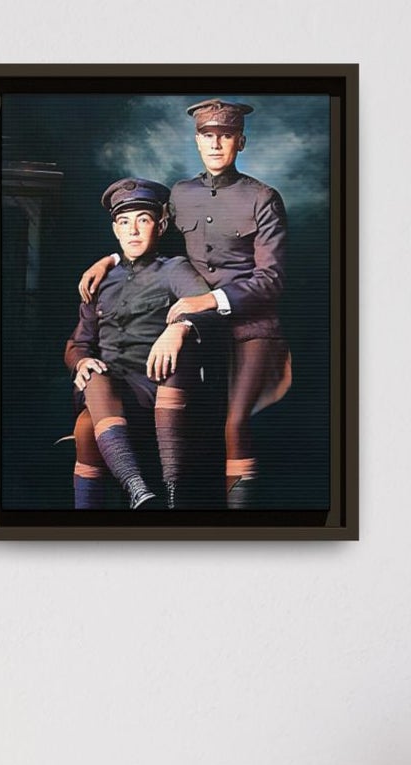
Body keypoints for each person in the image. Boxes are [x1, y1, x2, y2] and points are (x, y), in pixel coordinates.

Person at [78, 99, 289, 508]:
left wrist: (207, 301)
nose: (215, 145)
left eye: (225, 136)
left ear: (240, 142)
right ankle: (166, 498)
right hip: (189, 319)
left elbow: (273, 280)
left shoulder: (263, 198)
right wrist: (111, 259)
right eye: (207, 136)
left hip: (247, 328)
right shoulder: (181, 193)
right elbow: (150, 238)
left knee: (234, 424)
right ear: (196, 141)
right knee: (166, 401)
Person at [65, 178, 226, 510]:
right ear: (115, 230)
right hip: (106, 390)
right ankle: (137, 491)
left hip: (154, 387)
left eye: (143, 220)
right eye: (124, 222)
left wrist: (181, 327)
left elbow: (209, 310)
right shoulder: (98, 281)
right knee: (91, 391)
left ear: (161, 225)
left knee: (84, 427)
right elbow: (78, 342)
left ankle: (150, 493)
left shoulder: (174, 270)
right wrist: (81, 362)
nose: (133, 230)